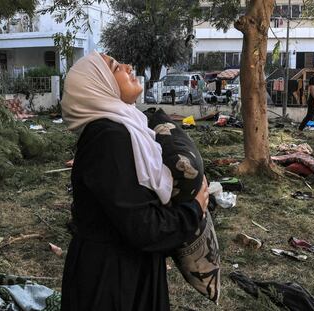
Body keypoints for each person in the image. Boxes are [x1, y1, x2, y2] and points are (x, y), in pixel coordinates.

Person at [60, 51, 209, 311]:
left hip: (125, 269)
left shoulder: (125, 128)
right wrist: (194, 209)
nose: (129, 66)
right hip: (112, 282)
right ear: (99, 84)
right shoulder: (108, 137)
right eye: (116, 67)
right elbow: (142, 226)